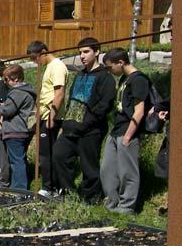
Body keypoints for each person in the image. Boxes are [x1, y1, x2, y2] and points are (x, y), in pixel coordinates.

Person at [53, 38, 116, 203]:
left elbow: (105, 104)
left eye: (86, 51)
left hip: (90, 130)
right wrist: (66, 123)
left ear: (96, 52)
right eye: (80, 52)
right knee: (59, 155)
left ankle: (91, 197)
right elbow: (72, 99)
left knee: (89, 166)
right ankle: (68, 192)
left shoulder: (105, 77)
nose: (82, 56)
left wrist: (88, 122)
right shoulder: (80, 74)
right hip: (70, 128)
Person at [100, 47, 151, 214]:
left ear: (120, 62)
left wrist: (128, 136)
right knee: (107, 169)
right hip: (116, 130)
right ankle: (111, 203)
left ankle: (126, 206)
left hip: (128, 131)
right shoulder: (124, 78)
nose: (109, 70)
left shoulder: (138, 80)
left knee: (127, 171)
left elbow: (139, 110)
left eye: (110, 67)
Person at [27, 40, 68, 197]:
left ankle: (50, 187)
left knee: (47, 153)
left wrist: (52, 116)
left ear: (43, 52)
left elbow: (59, 93)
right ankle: (51, 185)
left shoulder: (57, 66)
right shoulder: (48, 67)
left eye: (35, 58)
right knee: (44, 152)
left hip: (52, 116)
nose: (35, 62)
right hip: (44, 115)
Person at [0, 65, 36, 190]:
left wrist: (0, 109)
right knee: (19, 159)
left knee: (16, 161)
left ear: (16, 79)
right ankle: (17, 185)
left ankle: (20, 188)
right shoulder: (27, 91)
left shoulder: (18, 92)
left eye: (6, 80)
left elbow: (9, 110)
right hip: (22, 129)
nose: (5, 83)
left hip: (15, 130)